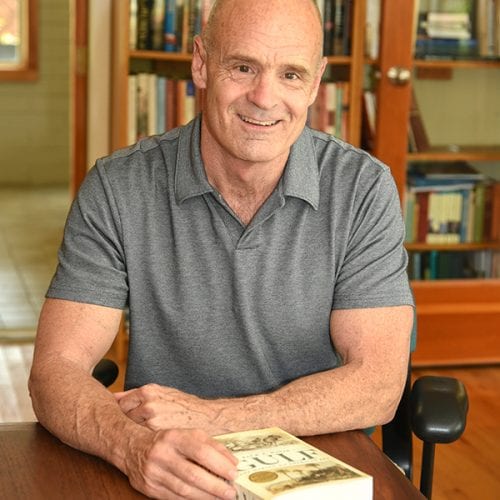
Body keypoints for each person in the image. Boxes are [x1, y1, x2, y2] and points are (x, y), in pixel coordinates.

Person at [29, 0, 414, 498]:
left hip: (319, 468)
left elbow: (379, 384)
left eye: (291, 74)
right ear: (201, 63)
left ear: (317, 82)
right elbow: (54, 370)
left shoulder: (362, 188)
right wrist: (131, 447)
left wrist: (215, 417)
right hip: (169, 466)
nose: (264, 97)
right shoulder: (118, 187)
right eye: (243, 67)